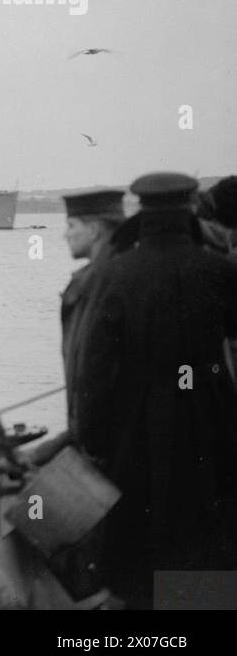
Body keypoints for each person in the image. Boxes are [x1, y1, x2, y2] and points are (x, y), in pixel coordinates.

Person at [74, 172, 237, 608]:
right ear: (188, 211)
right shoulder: (221, 272)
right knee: (204, 545)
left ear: (142, 213)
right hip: (214, 432)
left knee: (142, 554)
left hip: (138, 435)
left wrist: (93, 442)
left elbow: (94, 375)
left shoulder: (115, 275)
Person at [24, 188, 126, 468]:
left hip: (109, 452)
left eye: (71, 225)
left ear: (93, 230)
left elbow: (98, 378)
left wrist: (67, 443)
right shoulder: (106, 278)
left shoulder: (101, 284)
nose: (64, 234)